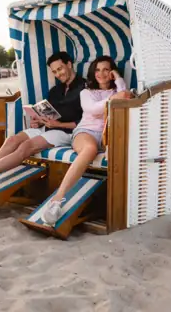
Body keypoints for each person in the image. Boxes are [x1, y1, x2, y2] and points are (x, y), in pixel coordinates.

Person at [0, 51, 86, 193]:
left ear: (69, 64)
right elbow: (49, 113)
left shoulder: (85, 88)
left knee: (26, 146)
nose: (58, 74)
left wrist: (59, 125)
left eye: (60, 69)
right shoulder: (55, 90)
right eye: (54, 72)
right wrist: (39, 121)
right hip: (48, 127)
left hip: (66, 132)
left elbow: (85, 121)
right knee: (12, 140)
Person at [41, 56, 132, 225]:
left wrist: (118, 78)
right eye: (97, 70)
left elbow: (125, 95)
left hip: (108, 135)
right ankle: (57, 201)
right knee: (89, 149)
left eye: (106, 69)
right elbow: (94, 109)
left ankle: (116, 209)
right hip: (85, 132)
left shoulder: (116, 91)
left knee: (119, 150)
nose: (101, 73)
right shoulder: (86, 92)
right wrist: (114, 98)